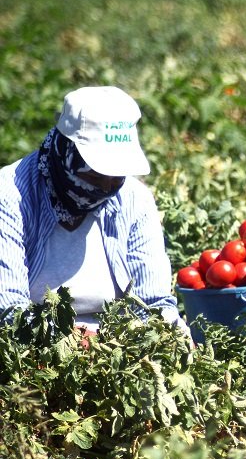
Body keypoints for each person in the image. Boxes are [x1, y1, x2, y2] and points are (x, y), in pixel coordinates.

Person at [0, 86, 191, 339]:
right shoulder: (11, 196)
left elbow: (154, 302)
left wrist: (173, 337)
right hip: (32, 349)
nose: (107, 186)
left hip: (117, 346)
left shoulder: (134, 199)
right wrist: (72, 338)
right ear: (66, 151)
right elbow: (9, 311)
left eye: (117, 174)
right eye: (95, 174)